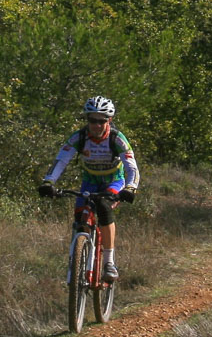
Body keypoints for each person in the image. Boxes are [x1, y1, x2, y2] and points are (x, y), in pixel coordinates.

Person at [39, 96, 140, 281]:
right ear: (87, 119)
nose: (96, 125)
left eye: (101, 121)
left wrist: (131, 187)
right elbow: (61, 160)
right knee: (80, 216)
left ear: (109, 120)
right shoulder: (80, 137)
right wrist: (48, 182)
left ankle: (109, 262)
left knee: (103, 206)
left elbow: (131, 166)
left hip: (113, 181)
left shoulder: (117, 139)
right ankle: (79, 256)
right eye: (92, 120)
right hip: (90, 181)